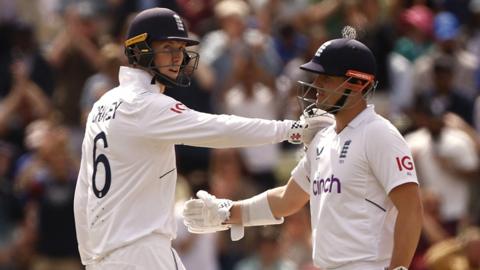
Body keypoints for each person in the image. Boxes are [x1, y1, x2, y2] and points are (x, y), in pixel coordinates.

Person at [73, 7, 330, 270]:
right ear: (140, 50)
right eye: (168, 48)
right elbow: (220, 129)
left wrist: (90, 257)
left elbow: (84, 191)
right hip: (144, 252)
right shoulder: (145, 105)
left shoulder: (102, 105)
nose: (178, 58)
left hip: (106, 256)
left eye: (181, 49)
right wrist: (292, 130)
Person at [183, 34, 424, 270]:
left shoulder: (379, 134)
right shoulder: (323, 137)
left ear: (357, 83)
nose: (316, 86)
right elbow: (288, 199)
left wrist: (399, 267)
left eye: (326, 78)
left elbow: (411, 207)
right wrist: (228, 213)